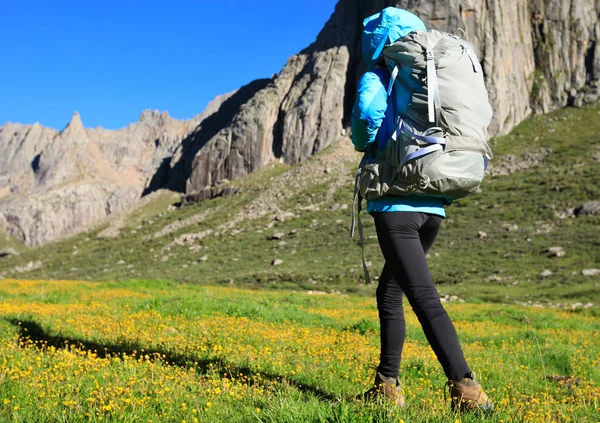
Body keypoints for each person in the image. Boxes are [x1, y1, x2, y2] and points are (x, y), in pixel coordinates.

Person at [351, 7, 492, 412]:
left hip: (397, 203)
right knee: (390, 290)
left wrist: (365, 141)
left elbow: (365, 115)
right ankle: (386, 386)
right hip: (434, 206)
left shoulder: (383, 73)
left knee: (424, 298)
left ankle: (466, 389)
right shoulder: (434, 64)